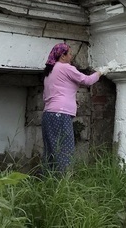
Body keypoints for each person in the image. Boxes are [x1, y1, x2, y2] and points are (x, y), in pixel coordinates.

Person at [42, 43, 105, 173]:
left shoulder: (50, 71)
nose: (71, 56)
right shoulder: (66, 68)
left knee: (51, 151)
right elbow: (87, 80)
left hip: (48, 114)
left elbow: (53, 93)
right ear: (62, 56)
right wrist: (101, 72)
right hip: (60, 114)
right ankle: (62, 184)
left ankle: (48, 182)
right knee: (65, 150)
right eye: (69, 54)